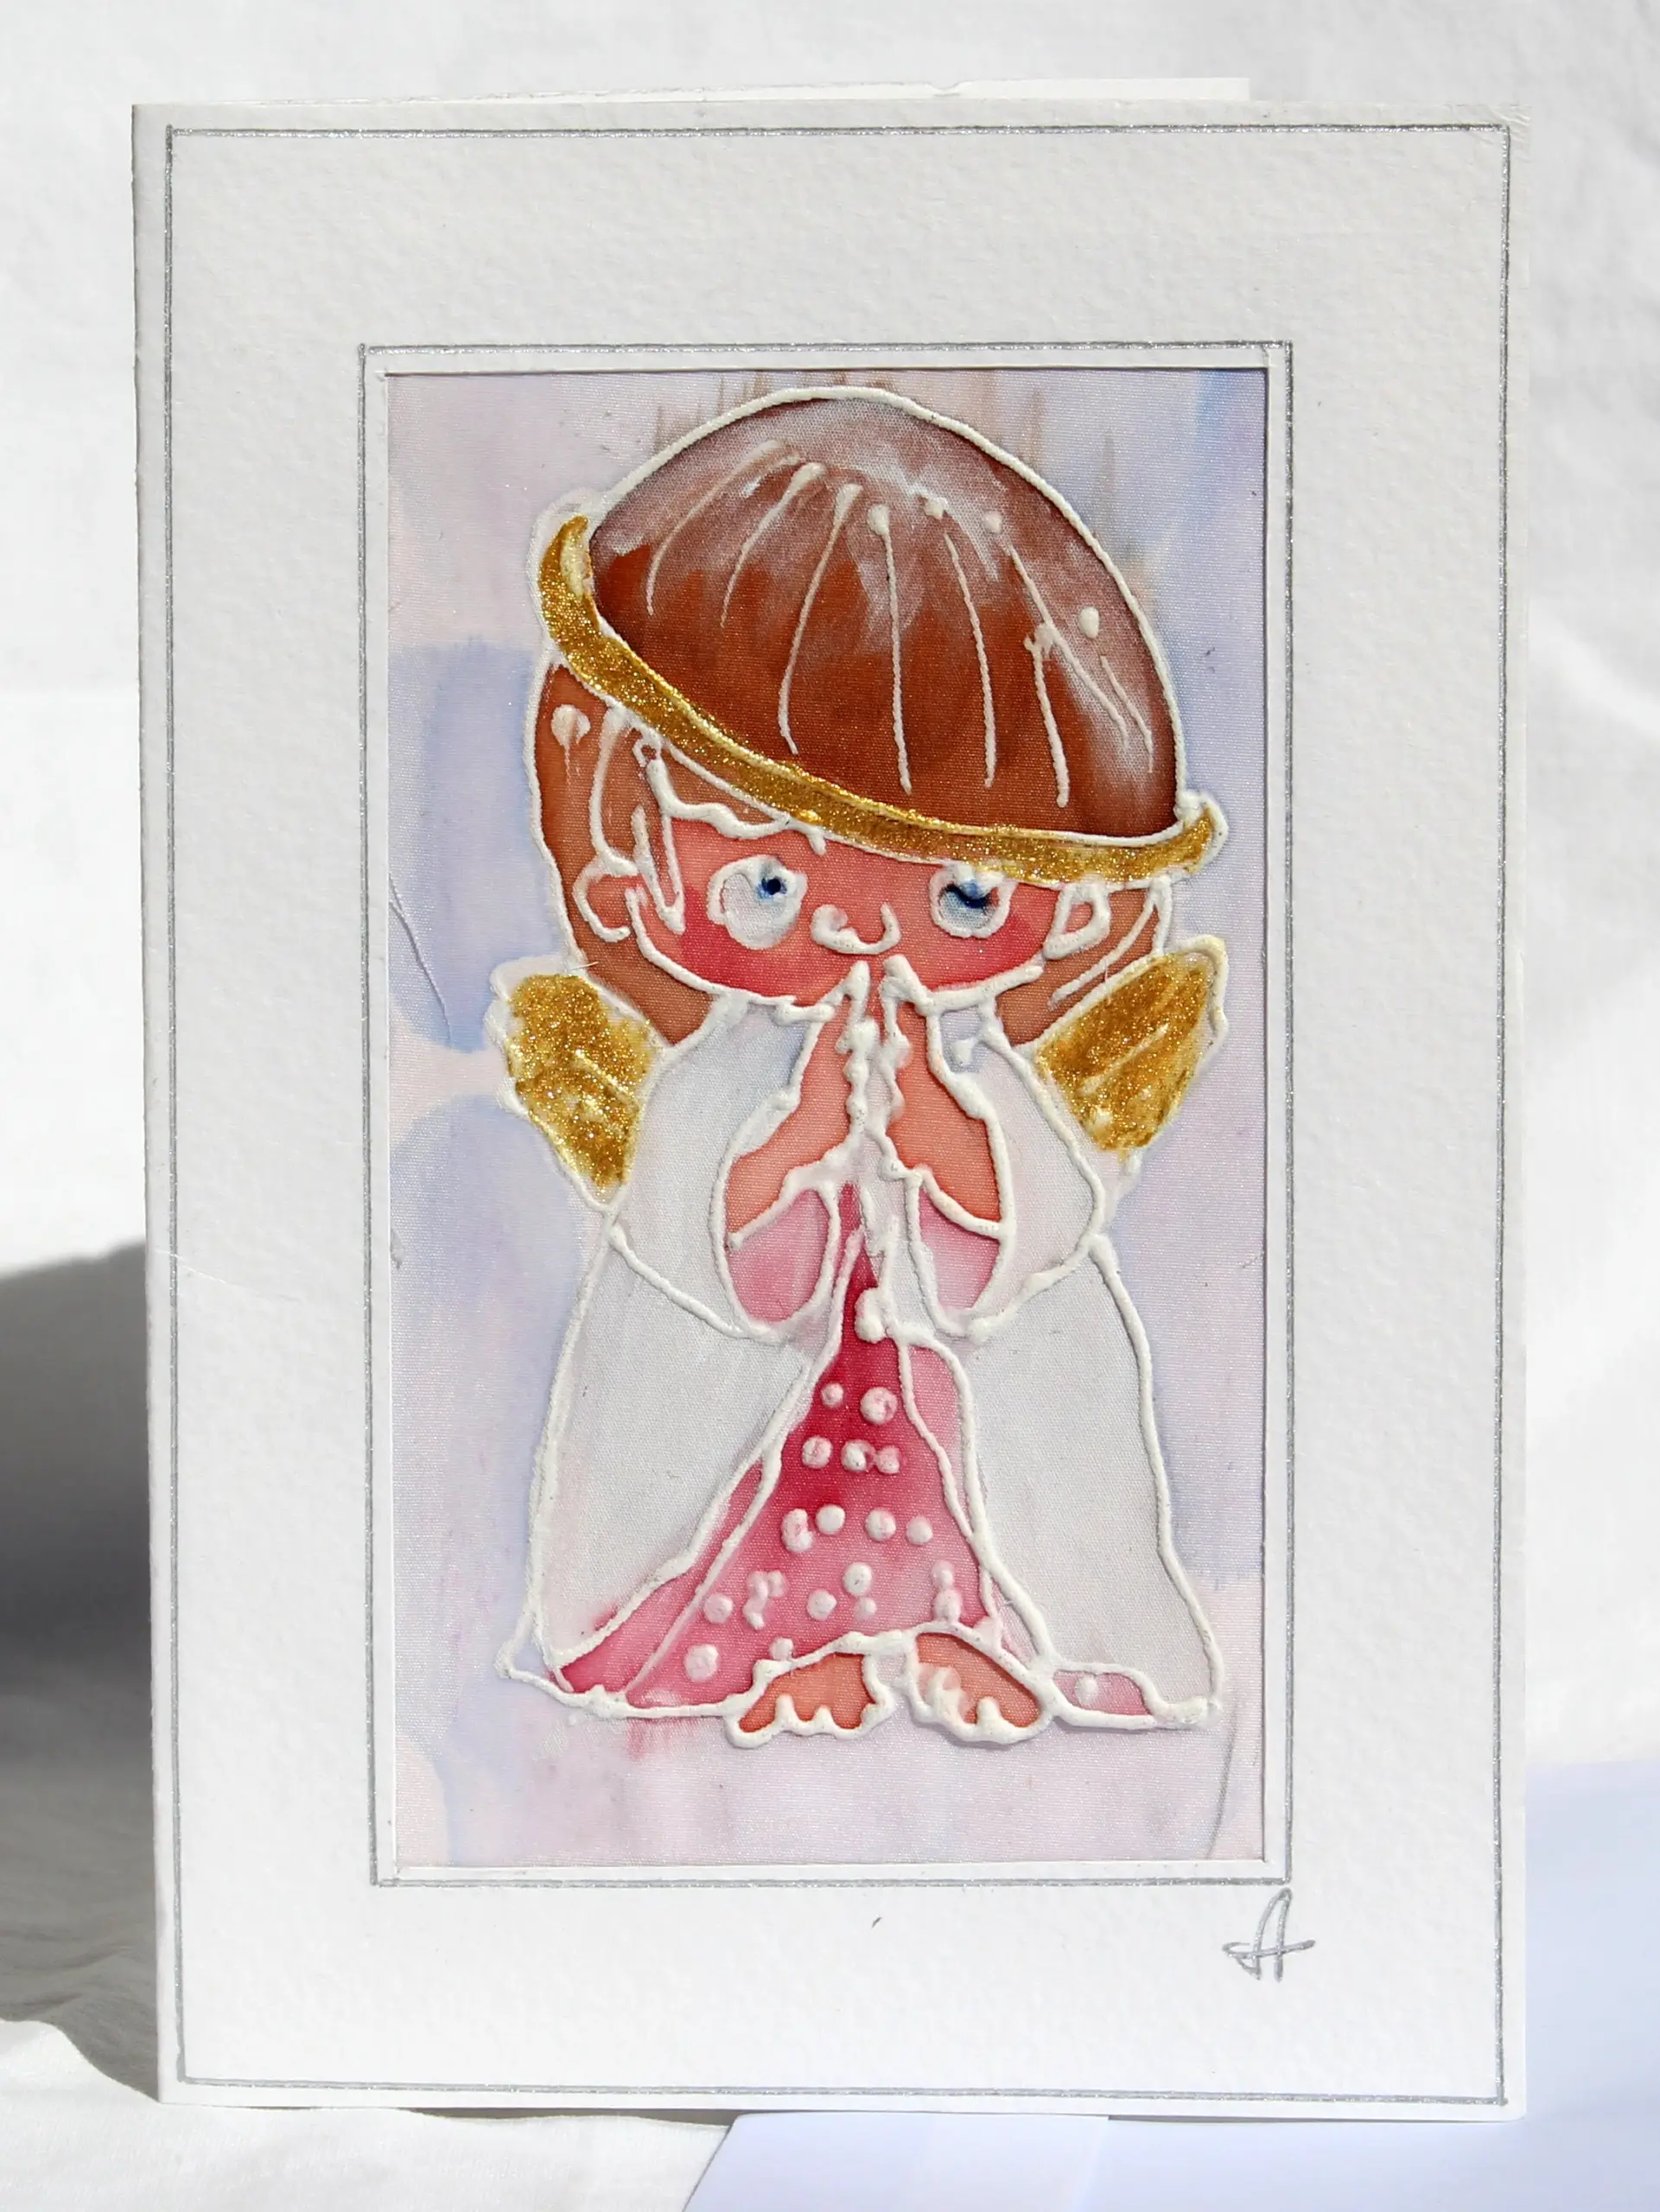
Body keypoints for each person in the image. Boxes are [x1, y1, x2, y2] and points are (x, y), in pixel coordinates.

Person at [495, 386, 1229, 1747]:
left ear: (1062, 903)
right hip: (753, 1387)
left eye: (963, 898)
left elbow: (1037, 1234)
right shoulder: (726, 1065)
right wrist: (788, 1147)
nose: (855, 933)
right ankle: (789, 1645)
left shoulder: (981, 1062)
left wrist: (951, 1140)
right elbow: (681, 1232)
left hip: (956, 1379)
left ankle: (965, 1626)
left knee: (984, 1479)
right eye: (769, 884)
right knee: (750, 1490)